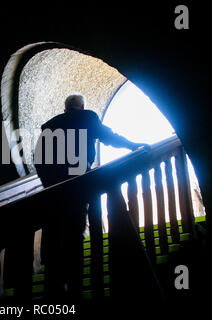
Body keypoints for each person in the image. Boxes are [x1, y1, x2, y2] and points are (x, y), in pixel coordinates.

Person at [34, 93, 150, 300]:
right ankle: (75, 286)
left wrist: (49, 185)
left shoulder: (50, 126)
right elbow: (109, 137)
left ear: (65, 108)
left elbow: (39, 160)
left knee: (54, 236)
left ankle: (56, 289)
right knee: (74, 234)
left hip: (55, 191)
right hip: (78, 184)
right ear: (82, 106)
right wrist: (133, 145)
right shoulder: (87, 117)